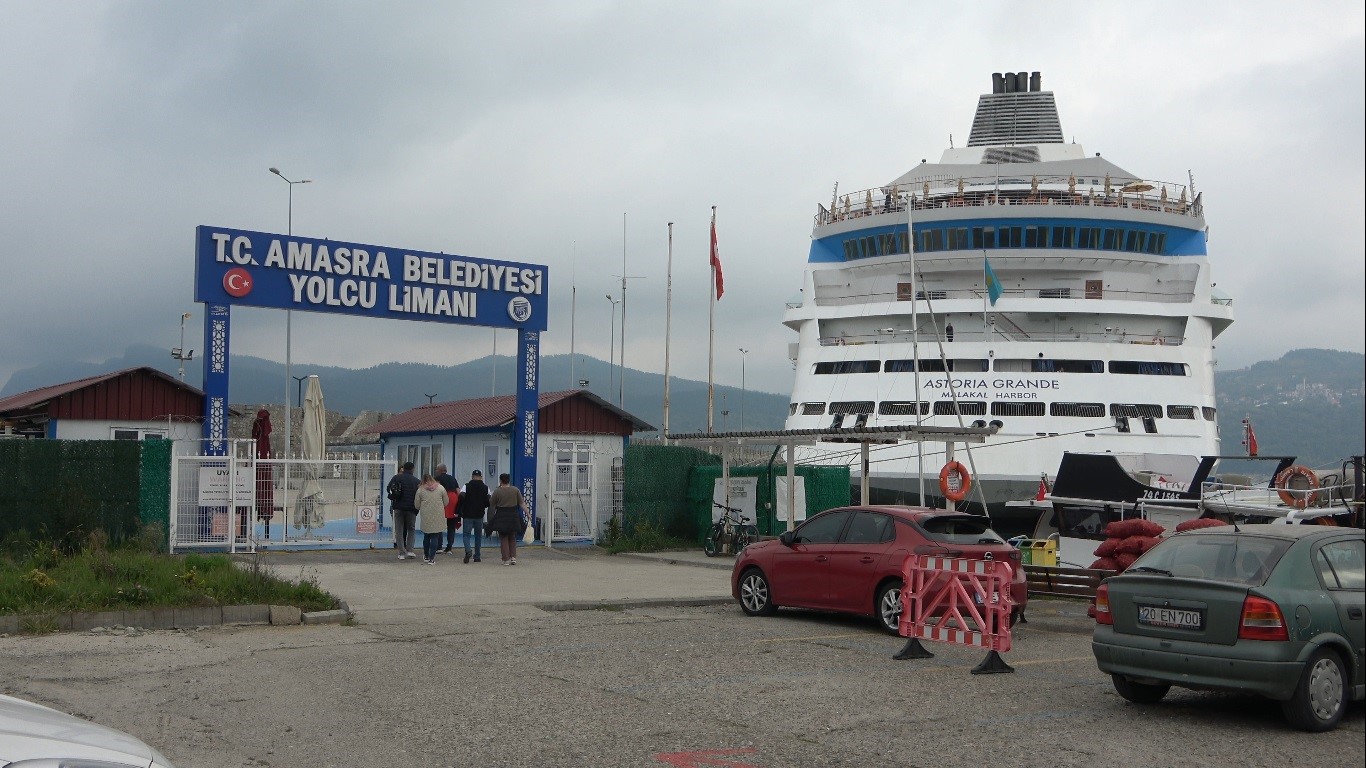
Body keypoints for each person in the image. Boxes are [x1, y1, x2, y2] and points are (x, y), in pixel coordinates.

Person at [487, 472, 528, 566]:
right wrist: (528, 514)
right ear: (509, 480)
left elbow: (491, 504)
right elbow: (522, 503)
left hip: (501, 515)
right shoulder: (515, 490)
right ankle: (513, 557)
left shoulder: (497, 491)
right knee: (512, 536)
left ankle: (506, 559)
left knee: (504, 537)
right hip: (513, 515)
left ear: (501, 480)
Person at [387, 462, 421, 560]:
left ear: (403, 468)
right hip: (411, 508)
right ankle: (410, 550)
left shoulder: (396, 478)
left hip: (398, 507)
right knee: (411, 529)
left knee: (399, 530)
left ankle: (402, 552)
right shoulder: (416, 481)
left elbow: (388, 489)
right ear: (412, 469)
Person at [458, 469, 491, 563]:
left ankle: (468, 550)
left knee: (466, 535)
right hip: (479, 515)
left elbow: (461, 497)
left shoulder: (466, 486)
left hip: (468, 514)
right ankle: (477, 556)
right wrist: (483, 505)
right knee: (478, 536)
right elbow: (488, 500)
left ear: (472, 477)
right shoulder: (485, 487)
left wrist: (461, 508)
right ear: (481, 477)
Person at [414, 473, 447, 565]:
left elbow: (416, 505)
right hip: (438, 514)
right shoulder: (441, 488)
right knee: (435, 536)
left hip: (426, 515)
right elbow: (446, 502)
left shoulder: (420, 490)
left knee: (427, 536)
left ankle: (426, 556)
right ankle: (432, 558)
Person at [435, 463, 461, 554]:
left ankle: (439, 546)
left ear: (440, 470)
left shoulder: (437, 478)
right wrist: (459, 505)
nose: (436, 471)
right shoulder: (453, 478)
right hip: (453, 501)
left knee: (439, 524)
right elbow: (458, 492)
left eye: (436, 469)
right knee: (451, 526)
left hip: (443, 500)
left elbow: (435, 490)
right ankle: (449, 547)